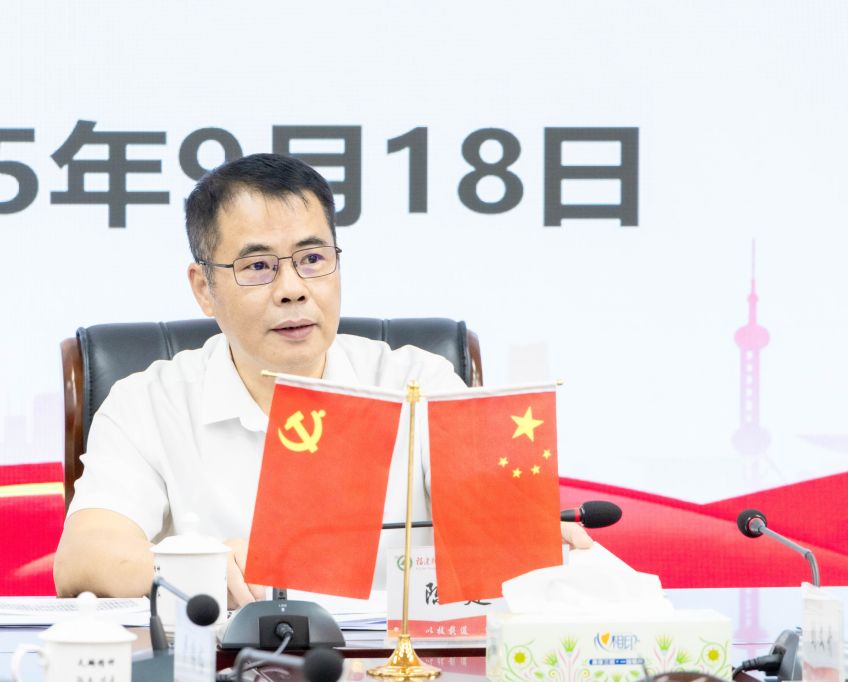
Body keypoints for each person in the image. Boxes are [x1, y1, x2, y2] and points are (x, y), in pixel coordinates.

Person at [53, 153, 592, 605]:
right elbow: (83, 556)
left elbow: (498, 527)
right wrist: (201, 567)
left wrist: (526, 537)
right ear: (203, 288)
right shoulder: (149, 402)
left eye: (312, 258)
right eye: (258, 266)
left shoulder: (418, 382)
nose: (293, 288)